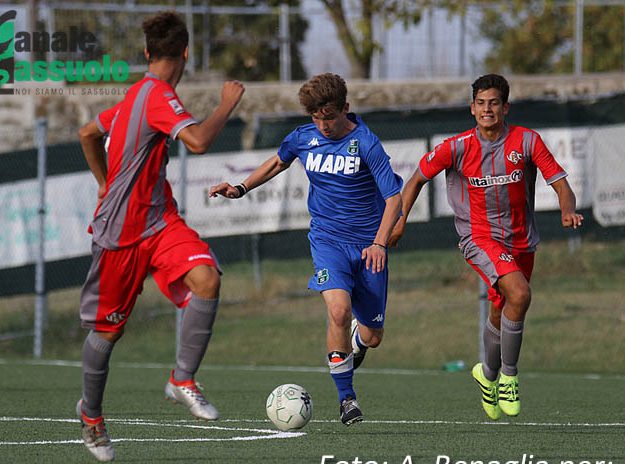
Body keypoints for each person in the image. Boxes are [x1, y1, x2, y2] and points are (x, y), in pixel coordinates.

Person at [76, 11, 244, 462]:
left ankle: (182, 379)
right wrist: (228, 103)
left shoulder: (135, 93)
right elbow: (197, 142)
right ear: (186, 53)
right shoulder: (156, 96)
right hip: (121, 235)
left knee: (207, 278)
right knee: (107, 333)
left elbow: (88, 132)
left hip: (158, 220)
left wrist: (103, 179)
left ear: (147, 52)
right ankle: (91, 415)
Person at [209, 73, 403, 426]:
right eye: (316, 118)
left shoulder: (367, 143)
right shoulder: (304, 137)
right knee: (339, 311)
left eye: (329, 117)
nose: (323, 125)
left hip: (368, 248)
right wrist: (240, 187)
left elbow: (394, 199)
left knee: (373, 337)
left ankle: (357, 343)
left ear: (345, 108)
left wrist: (379, 242)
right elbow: (277, 161)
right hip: (327, 242)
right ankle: (347, 399)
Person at [389, 74, 583, 420]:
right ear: (472, 108)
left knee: (502, 309)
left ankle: (487, 375)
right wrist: (400, 220)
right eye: (481, 103)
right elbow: (417, 178)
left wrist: (567, 209)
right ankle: (509, 376)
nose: (487, 109)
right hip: (479, 238)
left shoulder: (527, 141)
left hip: (522, 240)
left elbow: (562, 185)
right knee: (520, 295)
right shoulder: (456, 147)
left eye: (494, 102)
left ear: (505, 107)